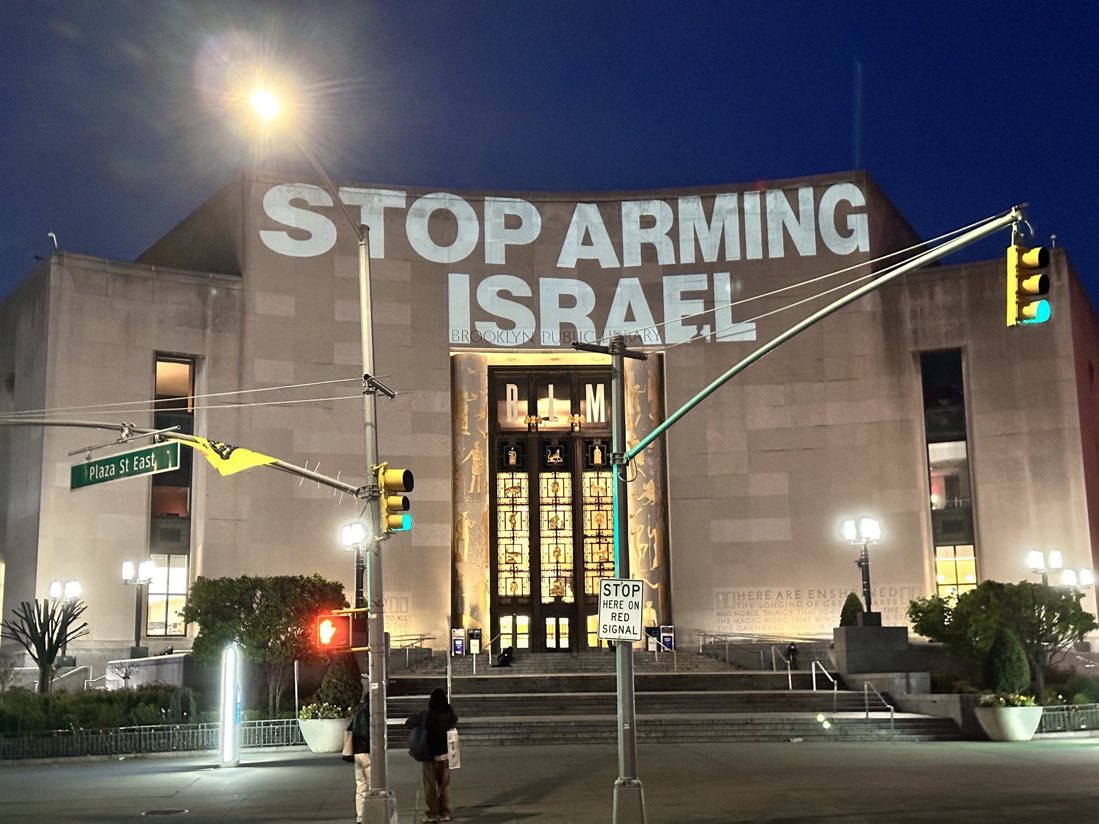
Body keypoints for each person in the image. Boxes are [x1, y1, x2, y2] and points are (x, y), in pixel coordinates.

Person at [406, 687, 459, 823]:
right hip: (446, 755)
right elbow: (454, 720)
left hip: (429, 755)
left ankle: (433, 812)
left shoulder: (425, 715)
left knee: (430, 785)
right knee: (444, 785)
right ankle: (445, 812)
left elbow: (409, 722)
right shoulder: (449, 715)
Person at [349, 694, 371, 824]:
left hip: (357, 752)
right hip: (368, 752)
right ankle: (371, 813)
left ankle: (361, 817)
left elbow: (350, 729)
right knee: (374, 785)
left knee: (361, 786)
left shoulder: (359, 714)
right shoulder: (371, 714)